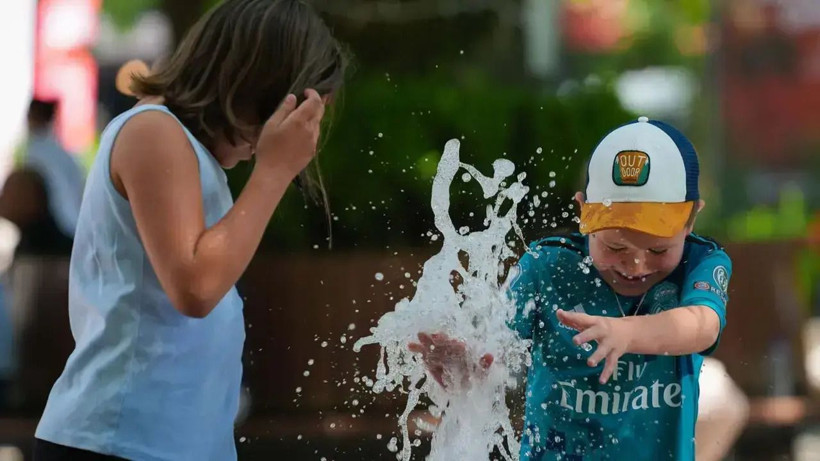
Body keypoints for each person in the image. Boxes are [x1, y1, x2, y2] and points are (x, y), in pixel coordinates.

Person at [33, 1, 346, 460]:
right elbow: (195, 287)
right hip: (116, 440)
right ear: (260, 84)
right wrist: (274, 171)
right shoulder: (154, 131)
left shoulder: (190, 154)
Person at [410, 117, 732, 460]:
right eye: (615, 247)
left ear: (691, 219)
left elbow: (703, 326)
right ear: (582, 212)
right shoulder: (547, 267)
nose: (636, 265)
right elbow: (500, 354)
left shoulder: (699, 264)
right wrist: (471, 369)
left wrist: (628, 332)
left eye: (657, 249)